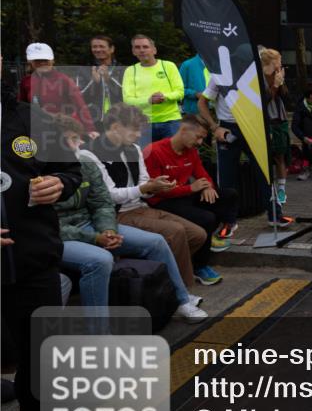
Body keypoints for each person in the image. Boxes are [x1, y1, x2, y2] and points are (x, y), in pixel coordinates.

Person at [2, 62, 83, 411]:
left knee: (40, 349)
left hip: (34, 258)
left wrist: (60, 184)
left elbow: (71, 170)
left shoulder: (32, 119)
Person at [53, 115, 207, 322]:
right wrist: (96, 238)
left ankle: (181, 300)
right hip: (65, 234)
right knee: (101, 260)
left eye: (78, 138)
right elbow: (51, 223)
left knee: (158, 241)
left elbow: (102, 202)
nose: (79, 143)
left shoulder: (87, 161)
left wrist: (108, 229)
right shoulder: (49, 169)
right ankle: (99, 334)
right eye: (72, 139)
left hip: (99, 222)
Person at [87, 103, 208, 288]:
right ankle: (181, 291)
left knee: (198, 234)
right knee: (176, 232)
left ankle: (161, 279)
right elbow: (109, 196)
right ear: (116, 127)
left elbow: (144, 180)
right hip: (116, 215)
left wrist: (156, 185)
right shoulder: (92, 152)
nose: (138, 135)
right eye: (134, 130)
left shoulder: (133, 149)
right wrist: (145, 188)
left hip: (141, 207)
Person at [144, 115, 238, 286]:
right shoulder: (154, 151)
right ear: (184, 130)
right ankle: (200, 267)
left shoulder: (191, 151)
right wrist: (191, 188)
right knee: (207, 218)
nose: (201, 142)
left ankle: (213, 235)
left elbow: (202, 175)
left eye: (203, 138)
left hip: (183, 195)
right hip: (162, 202)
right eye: (199, 137)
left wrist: (207, 186)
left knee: (228, 195)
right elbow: (157, 191)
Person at [199, 71, 294, 228]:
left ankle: (275, 215)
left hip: (253, 126)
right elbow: (202, 103)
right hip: (227, 127)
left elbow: (266, 102)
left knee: (264, 172)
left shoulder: (254, 71)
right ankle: (228, 221)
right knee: (227, 176)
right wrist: (215, 127)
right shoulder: (219, 74)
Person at [18, 42, 97, 137]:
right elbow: (21, 106)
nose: (42, 63)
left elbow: (80, 105)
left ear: (53, 60)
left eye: (46, 60)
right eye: (37, 60)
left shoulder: (64, 80)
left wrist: (90, 129)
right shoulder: (26, 81)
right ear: (30, 62)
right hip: (36, 131)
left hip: (62, 131)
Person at [122, 34, 184, 143]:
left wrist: (164, 97)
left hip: (171, 121)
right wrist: (148, 100)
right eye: (137, 47)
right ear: (133, 52)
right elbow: (128, 100)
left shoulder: (168, 66)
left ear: (154, 50)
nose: (141, 50)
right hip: (143, 123)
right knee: (146, 159)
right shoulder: (130, 71)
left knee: (171, 158)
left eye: (145, 47)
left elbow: (180, 92)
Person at [260, 49, 291, 206]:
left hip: (280, 121)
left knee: (280, 157)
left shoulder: (279, 74)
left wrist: (280, 82)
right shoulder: (258, 78)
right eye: (278, 60)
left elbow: (286, 97)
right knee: (265, 159)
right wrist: (275, 85)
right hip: (266, 121)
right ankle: (269, 190)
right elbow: (263, 101)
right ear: (270, 62)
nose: (280, 63)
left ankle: (281, 190)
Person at [76, 35, 124, 131]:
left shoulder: (123, 70)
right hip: (93, 120)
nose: (97, 49)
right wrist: (94, 83)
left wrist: (109, 80)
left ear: (111, 49)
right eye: (94, 47)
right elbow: (79, 98)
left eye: (102, 46)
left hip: (119, 119)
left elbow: (127, 96)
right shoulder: (84, 70)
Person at [291, 82, 312, 181]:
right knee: (306, 122)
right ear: (311, 95)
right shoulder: (300, 107)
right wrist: (304, 138)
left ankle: (309, 164)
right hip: (307, 136)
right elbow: (294, 127)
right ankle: (306, 167)